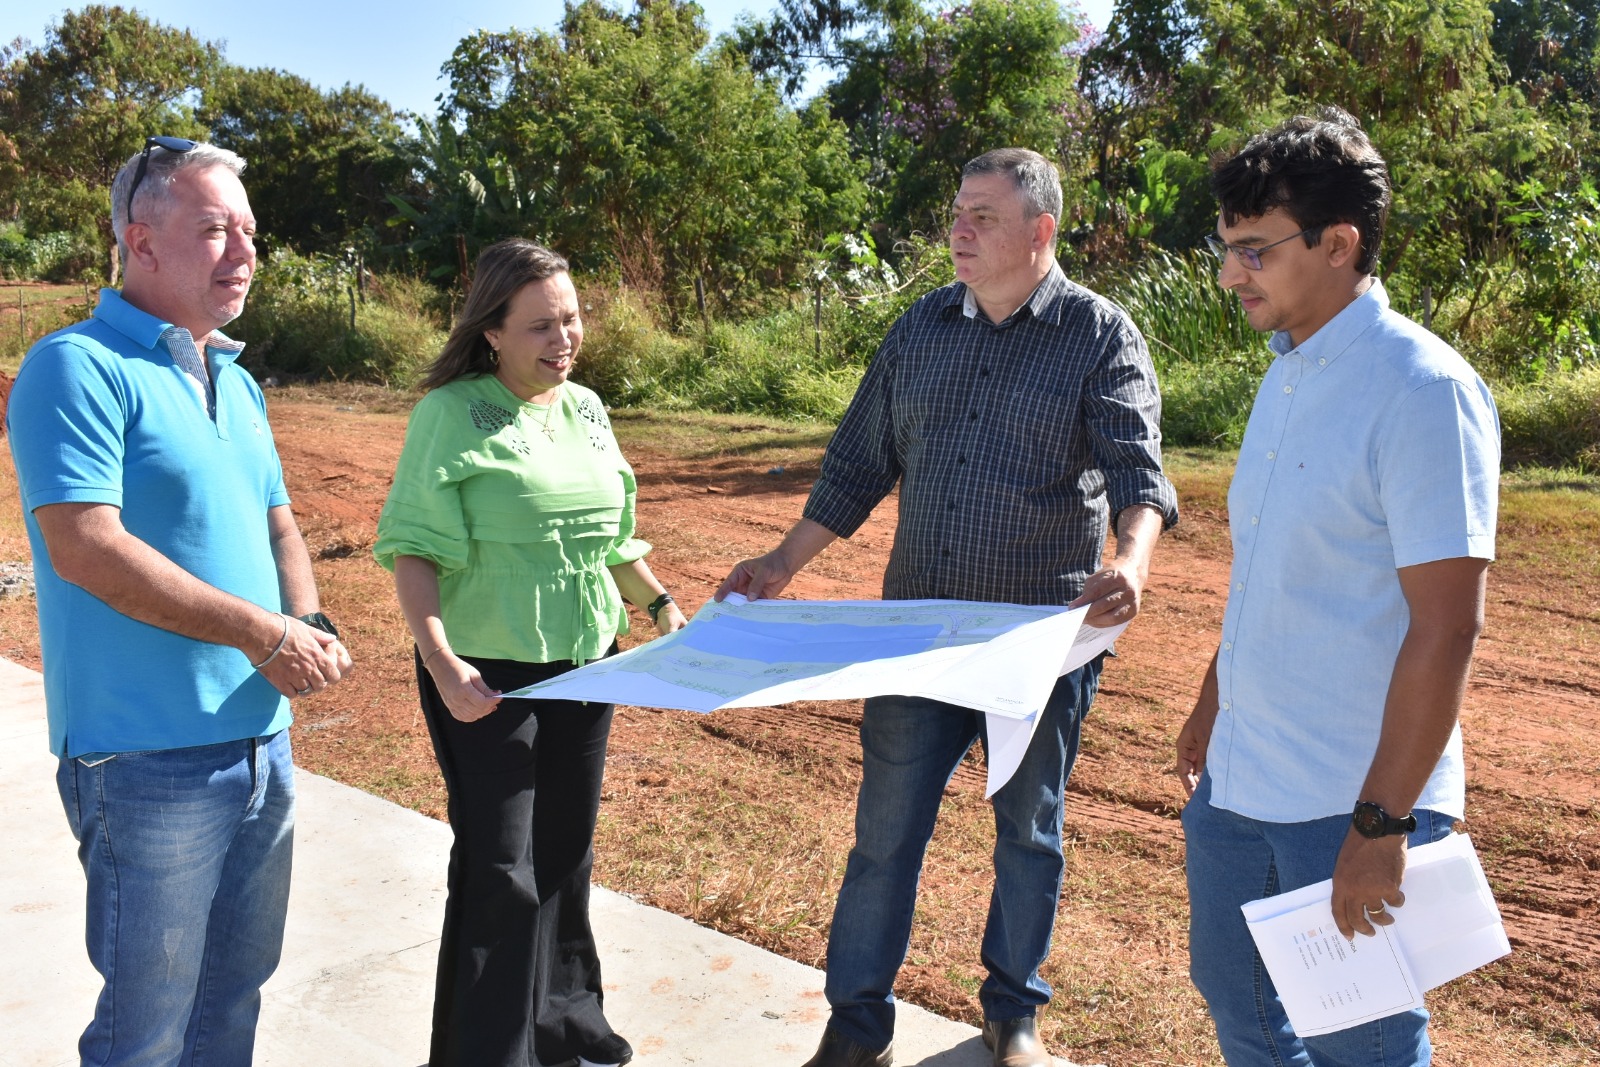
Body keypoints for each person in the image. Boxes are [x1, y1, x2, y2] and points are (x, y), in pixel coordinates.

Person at [718, 147, 1178, 1067]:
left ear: (1040, 233)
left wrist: (1129, 559)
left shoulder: (1101, 336)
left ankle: (1014, 1017)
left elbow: (1140, 473)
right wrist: (781, 561)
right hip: (918, 638)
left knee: (1028, 834)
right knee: (883, 837)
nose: (959, 232)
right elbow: (857, 464)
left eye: (983, 216)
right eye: (956, 213)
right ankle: (855, 1029)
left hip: (1038, 645)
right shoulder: (919, 328)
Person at [6, 137, 351, 1063]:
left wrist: (305, 623)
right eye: (214, 229)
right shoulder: (74, 366)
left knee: (233, 998)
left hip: (260, 742)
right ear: (141, 242)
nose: (243, 251)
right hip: (144, 756)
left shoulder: (233, 377)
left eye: (249, 230)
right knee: (147, 1026)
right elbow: (86, 545)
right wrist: (259, 630)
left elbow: (278, 521)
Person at [1176, 107, 1500, 1067]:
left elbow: (1446, 628)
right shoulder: (1285, 373)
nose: (1232, 272)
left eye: (1254, 250)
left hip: (1348, 794)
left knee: (1362, 1035)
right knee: (1240, 1003)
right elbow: (1275, 568)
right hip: (1241, 781)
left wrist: (1381, 823)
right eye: (1227, 247)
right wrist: (1211, 702)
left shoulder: (1421, 391)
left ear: (1339, 244)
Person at [374, 238, 687, 1067]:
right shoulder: (449, 414)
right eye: (542, 325)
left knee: (565, 850)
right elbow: (413, 550)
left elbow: (610, 537)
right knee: (501, 864)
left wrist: (657, 603)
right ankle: (484, 1051)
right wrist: (442, 663)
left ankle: (564, 1023)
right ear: (493, 332)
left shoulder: (585, 407)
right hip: (485, 670)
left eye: (573, 318)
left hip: (588, 657)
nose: (565, 338)